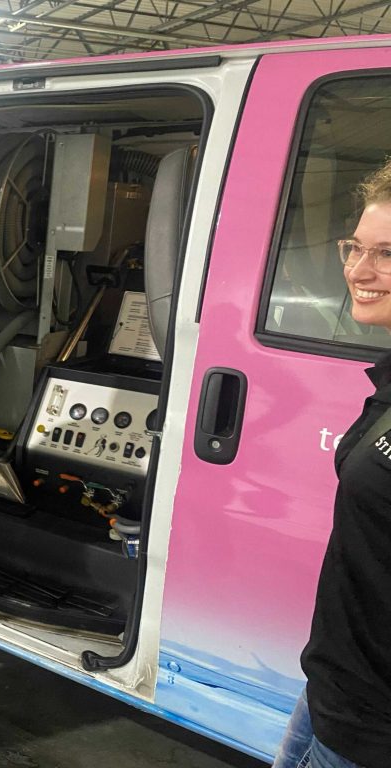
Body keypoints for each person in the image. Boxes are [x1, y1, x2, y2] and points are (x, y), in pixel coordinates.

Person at [272, 161, 391, 768]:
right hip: (332, 687)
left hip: (373, 724)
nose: (358, 271)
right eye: (356, 247)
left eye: (388, 255)